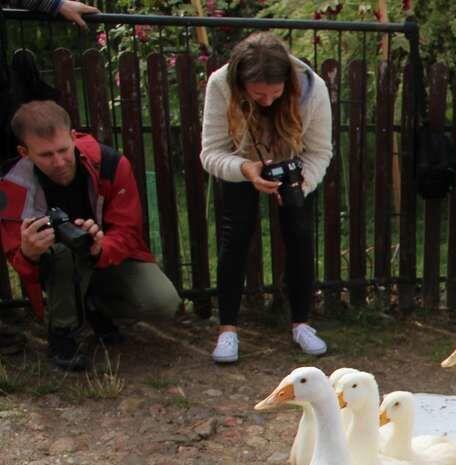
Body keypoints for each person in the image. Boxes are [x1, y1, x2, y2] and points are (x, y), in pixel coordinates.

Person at [0, 100, 180, 371]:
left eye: (63, 150)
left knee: (162, 302)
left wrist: (100, 246)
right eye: (46, 155)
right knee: (62, 253)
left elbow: (128, 231)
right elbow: (19, 261)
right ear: (24, 152)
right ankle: (62, 335)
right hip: (56, 265)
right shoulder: (12, 185)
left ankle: (94, 307)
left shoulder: (110, 163)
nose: (59, 162)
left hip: (105, 257)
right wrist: (29, 253)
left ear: (74, 137)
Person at [200, 32, 332, 364]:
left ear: (288, 81)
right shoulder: (220, 84)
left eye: (276, 93)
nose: (268, 102)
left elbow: (320, 151)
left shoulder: (313, 88)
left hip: (294, 166)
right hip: (241, 163)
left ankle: (301, 323)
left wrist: (302, 184)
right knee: (235, 235)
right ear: (240, 83)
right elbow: (211, 153)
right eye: (259, 94)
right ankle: (227, 329)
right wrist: (245, 169)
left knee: (300, 234)